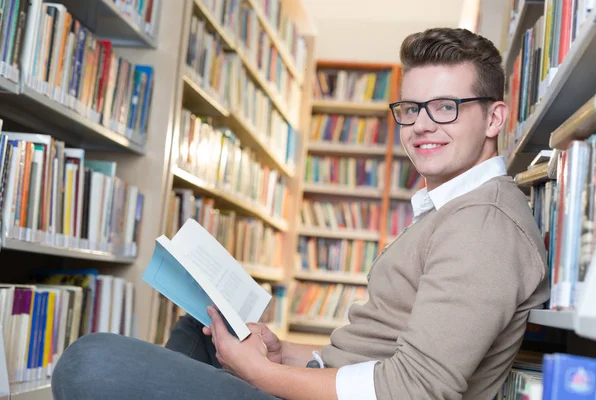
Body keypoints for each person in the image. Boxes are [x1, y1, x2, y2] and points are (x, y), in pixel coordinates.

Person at [50, 27, 550, 400]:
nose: (422, 125)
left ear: (495, 117)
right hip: (335, 379)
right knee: (199, 328)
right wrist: (286, 354)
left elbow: (416, 388)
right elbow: (384, 351)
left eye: (445, 107)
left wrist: (261, 374)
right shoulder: (455, 210)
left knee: (89, 361)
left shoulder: (483, 225)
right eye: (411, 108)